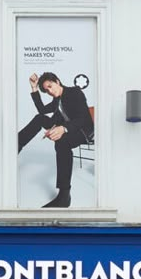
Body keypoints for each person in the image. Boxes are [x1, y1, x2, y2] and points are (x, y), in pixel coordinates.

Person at [18, 71, 94, 208]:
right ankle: (16, 145)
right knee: (39, 118)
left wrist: (63, 129)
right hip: (66, 126)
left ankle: (64, 196)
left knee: (62, 142)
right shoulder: (57, 100)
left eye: (50, 86)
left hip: (83, 131)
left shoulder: (75, 92)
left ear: (57, 81)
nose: (50, 91)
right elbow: (42, 110)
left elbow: (82, 119)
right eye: (46, 90)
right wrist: (34, 88)